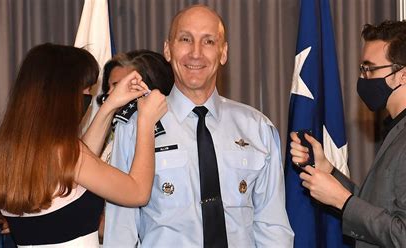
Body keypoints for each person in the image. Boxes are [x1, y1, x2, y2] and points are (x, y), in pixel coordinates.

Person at [104, 4, 294, 247]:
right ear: (168, 49)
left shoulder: (257, 129)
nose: (195, 53)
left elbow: (272, 227)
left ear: (223, 53)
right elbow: (121, 229)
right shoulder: (136, 127)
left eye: (208, 42)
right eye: (185, 39)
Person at [0, 43, 167, 246]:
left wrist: (110, 106)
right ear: (63, 95)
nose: (89, 97)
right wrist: (146, 122)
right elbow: (138, 192)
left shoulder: (8, 150)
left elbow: (77, 169)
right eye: (86, 90)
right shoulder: (66, 154)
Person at [290, 20, 406, 248]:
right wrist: (329, 171)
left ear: (403, 74)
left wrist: (342, 201)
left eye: (369, 68)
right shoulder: (405, 129)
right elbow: (378, 208)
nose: (363, 77)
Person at [95, 50, 174, 240]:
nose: (113, 94)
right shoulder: (105, 136)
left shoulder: (167, 136)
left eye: (124, 84)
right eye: (111, 86)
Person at [96, 50, 174, 163]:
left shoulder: (172, 129)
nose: (109, 94)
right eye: (109, 87)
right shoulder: (108, 131)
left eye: (118, 86)